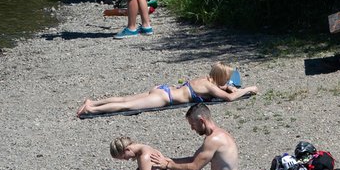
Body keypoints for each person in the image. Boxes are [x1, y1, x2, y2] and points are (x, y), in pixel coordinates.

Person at [77, 62, 258, 117]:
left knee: (125, 99)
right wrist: (248, 89)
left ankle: (93, 102)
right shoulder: (210, 87)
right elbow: (229, 98)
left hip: (163, 89)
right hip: (165, 99)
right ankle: (92, 109)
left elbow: (223, 88)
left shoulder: (206, 80)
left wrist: (228, 87)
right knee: (127, 106)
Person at [149, 103, 240, 170]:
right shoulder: (216, 135)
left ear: (201, 121)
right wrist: (168, 160)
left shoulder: (214, 140)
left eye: (193, 124)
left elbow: (194, 169)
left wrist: (168, 165)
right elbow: (193, 159)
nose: (192, 128)